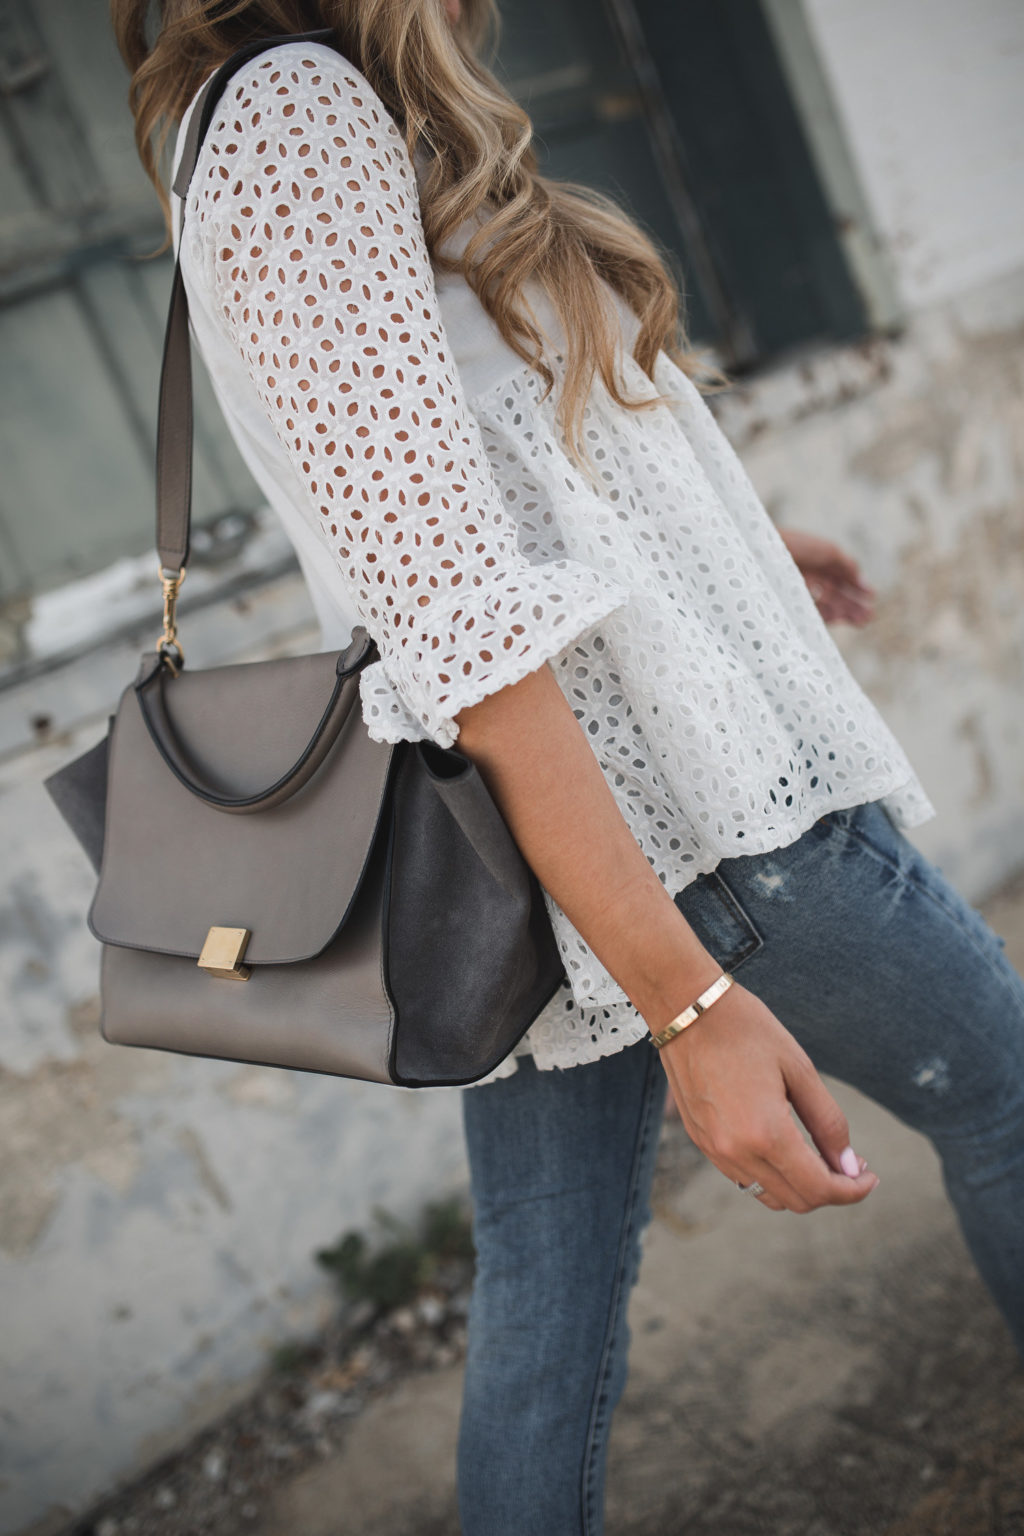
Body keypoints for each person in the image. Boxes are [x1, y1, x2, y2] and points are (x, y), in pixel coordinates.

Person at [114, 2, 1024, 1530]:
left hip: (576, 840)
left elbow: (471, 491)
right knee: (1004, 1096)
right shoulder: (293, 120)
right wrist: (688, 1003)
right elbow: (460, 632)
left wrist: (727, 544)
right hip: (675, 828)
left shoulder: (286, 113)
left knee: (549, 1304)